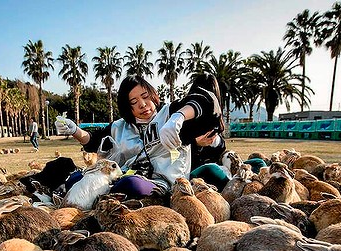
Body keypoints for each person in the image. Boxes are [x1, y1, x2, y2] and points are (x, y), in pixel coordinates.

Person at [55, 75, 225, 198]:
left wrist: (178, 117)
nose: (143, 105)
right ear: (127, 107)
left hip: (162, 184)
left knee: (131, 184)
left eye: (145, 97)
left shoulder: (168, 113)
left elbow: (208, 103)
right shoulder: (119, 126)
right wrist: (74, 130)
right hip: (119, 177)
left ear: (153, 95)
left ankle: (99, 195)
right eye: (134, 102)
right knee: (76, 178)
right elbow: (92, 141)